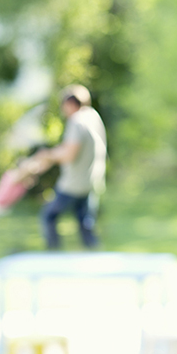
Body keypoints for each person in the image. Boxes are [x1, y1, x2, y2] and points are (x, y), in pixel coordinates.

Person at [34, 85, 107, 250]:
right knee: (85, 223)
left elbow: (69, 154)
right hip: (91, 180)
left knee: (49, 216)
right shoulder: (92, 116)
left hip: (73, 183)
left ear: (70, 104)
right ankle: (94, 253)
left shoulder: (76, 121)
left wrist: (47, 155)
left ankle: (54, 254)